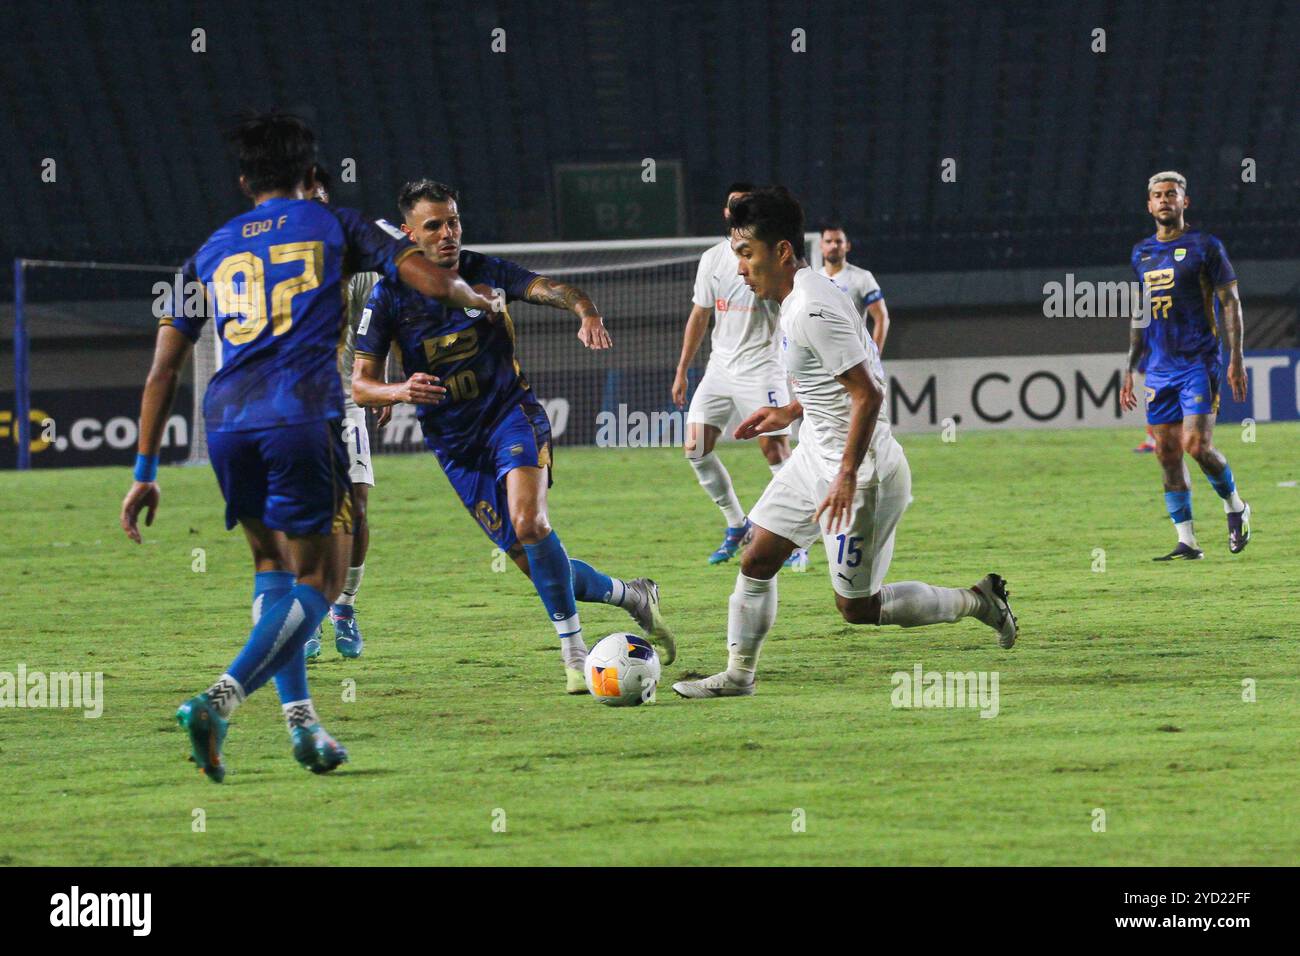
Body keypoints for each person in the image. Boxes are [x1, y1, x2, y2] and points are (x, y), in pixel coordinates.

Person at [119, 113, 498, 781]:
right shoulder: (339, 224)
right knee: (322, 579)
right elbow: (436, 282)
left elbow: (161, 371)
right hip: (299, 415)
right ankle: (220, 699)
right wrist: (477, 298)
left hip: (227, 421)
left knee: (274, 568)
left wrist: (145, 471)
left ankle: (304, 726)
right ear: (308, 173)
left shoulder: (207, 249)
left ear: (244, 181)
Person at [672, 187, 1017, 700]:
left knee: (858, 608)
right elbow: (835, 385)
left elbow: (868, 394)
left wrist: (847, 476)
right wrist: (789, 411)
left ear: (783, 251)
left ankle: (978, 601)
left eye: (747, 254)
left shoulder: (811, 307)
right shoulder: (797, 300)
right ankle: (739, 676)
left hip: (862, 476)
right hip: (816, 457)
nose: (740, 268)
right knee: (755, 559)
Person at [352, 179, 674, 694]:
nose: (448, 233)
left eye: (453, 220)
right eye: (433, 225)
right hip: (456, 446)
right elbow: (360, 384)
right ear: (409, 234)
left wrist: (585, 310)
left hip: (510, 415)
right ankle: (628, 594)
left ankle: (573, 655)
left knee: (530, 522)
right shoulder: (389, 296)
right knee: (540, 564)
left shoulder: (485, 271)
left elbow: (551, 288)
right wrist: (396, 390)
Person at [1120, 171, 1251, 559]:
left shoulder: (1205, 246)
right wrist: (1130, 366)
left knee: (1197, 445)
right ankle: (1187, 540)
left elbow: (1230, 302)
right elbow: (1140, 312)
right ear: (1149, 204)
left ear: (1184, 202)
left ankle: (1236, 506)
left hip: (1199, 362)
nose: (1164, 200)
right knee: (1166, 452)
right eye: (1158, 195)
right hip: (1159, 367)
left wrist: (1236, 357)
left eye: (1171, 194)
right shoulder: (1140, 253)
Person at [672, 182, 802, 567]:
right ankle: (736, 524)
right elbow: (700, 314)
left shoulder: (771, 256)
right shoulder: (712, 259)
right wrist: (682, 369)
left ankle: (794, 537)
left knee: (775, 451)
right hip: (720, 367)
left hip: (762, 367)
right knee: (695, 447)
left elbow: (792, 308)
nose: (738, 209)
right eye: (734, 205)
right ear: (727, 212)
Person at [818, 223, 891, 354]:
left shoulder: (862, 277)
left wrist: (874, 355)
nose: (834, 246)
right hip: (822, 358)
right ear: (821, 246)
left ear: (847, 246)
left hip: (854, 357)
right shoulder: (813, 279)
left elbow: (881, 317)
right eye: (828, 241)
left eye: (839, 241)